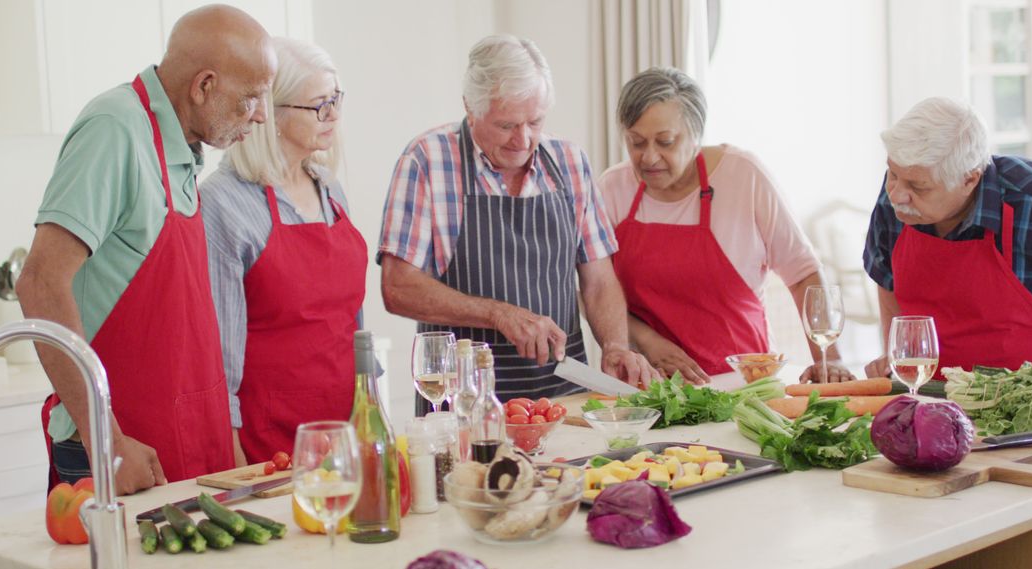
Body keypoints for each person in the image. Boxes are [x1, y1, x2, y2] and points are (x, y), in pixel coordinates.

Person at [15, 4, 276, 494]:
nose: (262, 115)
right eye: (251, 99)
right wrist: (107, 441)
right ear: (203, 86)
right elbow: (39, 283)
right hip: (123, 447)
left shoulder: (181, 147)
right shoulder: (116, 128)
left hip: (183, 437)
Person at [379, 35, 657, 415]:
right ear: (470, 108)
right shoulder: (426, 161)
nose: (523, 140)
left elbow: (599, 280)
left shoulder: (570, 162)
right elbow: (398, 289)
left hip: (564, 397)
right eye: (507, 124)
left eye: (535, 121)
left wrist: (614, 345)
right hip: (464, 401)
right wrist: (499, 314)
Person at [598, 67, 852, 385]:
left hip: (745, 380)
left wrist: (830, 358)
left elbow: (803, 276)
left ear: (696, 135)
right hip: (649, 385)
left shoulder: (743, 177)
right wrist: (647, 340)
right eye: (636, 143)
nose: (649, 157)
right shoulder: (612, 189)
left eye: (665, 142)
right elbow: (594, 290)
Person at [200, 38, 366, 466]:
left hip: (344, 429)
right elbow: (219, 355)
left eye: (335, 100)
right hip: (268, 443)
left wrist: (368, 411)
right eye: (318, 105)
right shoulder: (226, 202)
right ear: (270, 113)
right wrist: (232, 459)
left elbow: (351, 324)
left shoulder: (328, 187)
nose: (333, 115)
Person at [863, 97, 1032, 377]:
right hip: (927, 396)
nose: (897, 195)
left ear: (969, 179)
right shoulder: (903, 190)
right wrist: (895, 355)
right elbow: (885, 276)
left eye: (919, 187)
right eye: (893, 174)